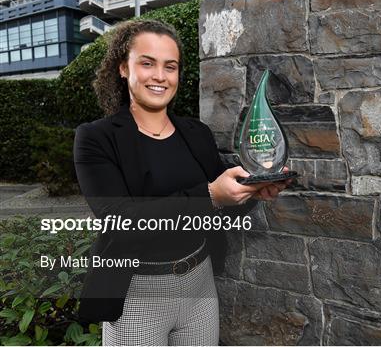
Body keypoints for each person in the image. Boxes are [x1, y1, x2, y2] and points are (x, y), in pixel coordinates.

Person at [73, 19, 289, 345]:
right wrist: (211, 195)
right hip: (137, 294)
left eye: (170, 66)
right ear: (122, 68)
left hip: (199, 286)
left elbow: (221, 211)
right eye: (147, 63)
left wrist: (255, 190)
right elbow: (121, 220)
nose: (160, 76)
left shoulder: (196, 134)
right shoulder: (96, 138)